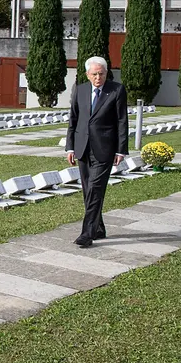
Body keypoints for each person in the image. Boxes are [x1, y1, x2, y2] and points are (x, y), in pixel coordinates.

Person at [65, 56, 129, 248]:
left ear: (106, 73)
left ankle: (87, 233)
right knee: (88, 190)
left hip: (105, 148)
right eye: (94, 74)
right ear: (87, 74)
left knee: (95, 189)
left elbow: (122, 121)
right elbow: (73, 119)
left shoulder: (116, 90)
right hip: (82, 147)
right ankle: (99, 228)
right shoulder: (81, 89)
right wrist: (70, 146)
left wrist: (121, 150)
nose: (98, 78)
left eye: (101, 74)